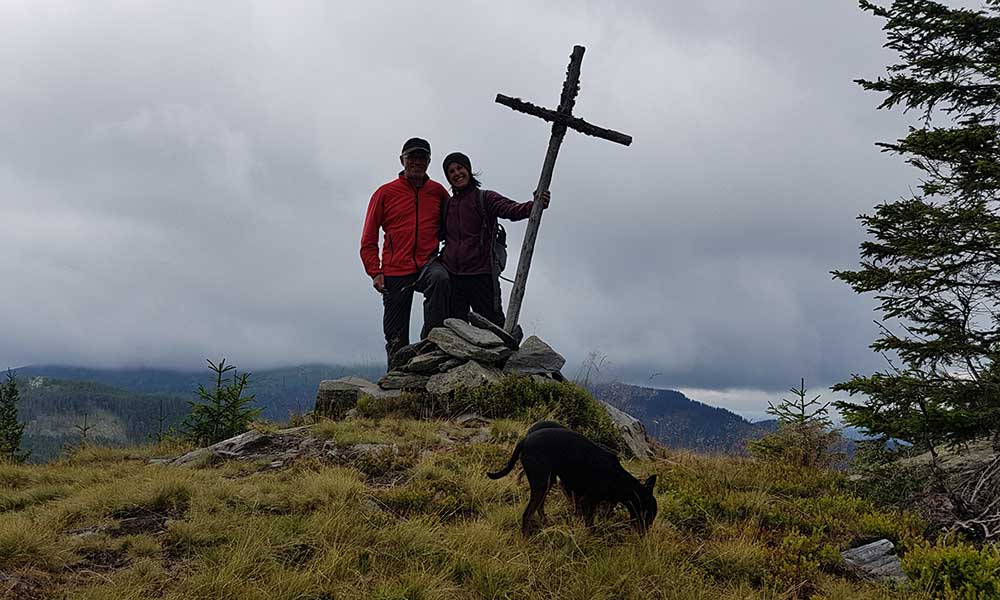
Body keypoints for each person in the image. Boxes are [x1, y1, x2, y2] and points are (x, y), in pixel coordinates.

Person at [361, 138, 451, 370]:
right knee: (395, 336)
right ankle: (397, 381)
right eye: (412, 157)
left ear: (429, 162)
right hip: (394, 269)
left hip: (427, 264)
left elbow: (454, 222)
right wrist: (375, 272)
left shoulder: (438, 192)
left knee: (440, 279)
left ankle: (428, 348)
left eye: (422, 158)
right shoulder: (385, 193)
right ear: (402, 160)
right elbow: (368, 238)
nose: (417, 162)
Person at [439, 151, 549, 327]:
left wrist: (535, 204)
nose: (456, 173)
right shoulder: (447, 206)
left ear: (468, 169)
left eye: (459, 168)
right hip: (453, 277)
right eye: (451, 172)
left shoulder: (485, 198)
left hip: (481, 275)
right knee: (456, 329)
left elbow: (512, 210)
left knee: (493, 326)